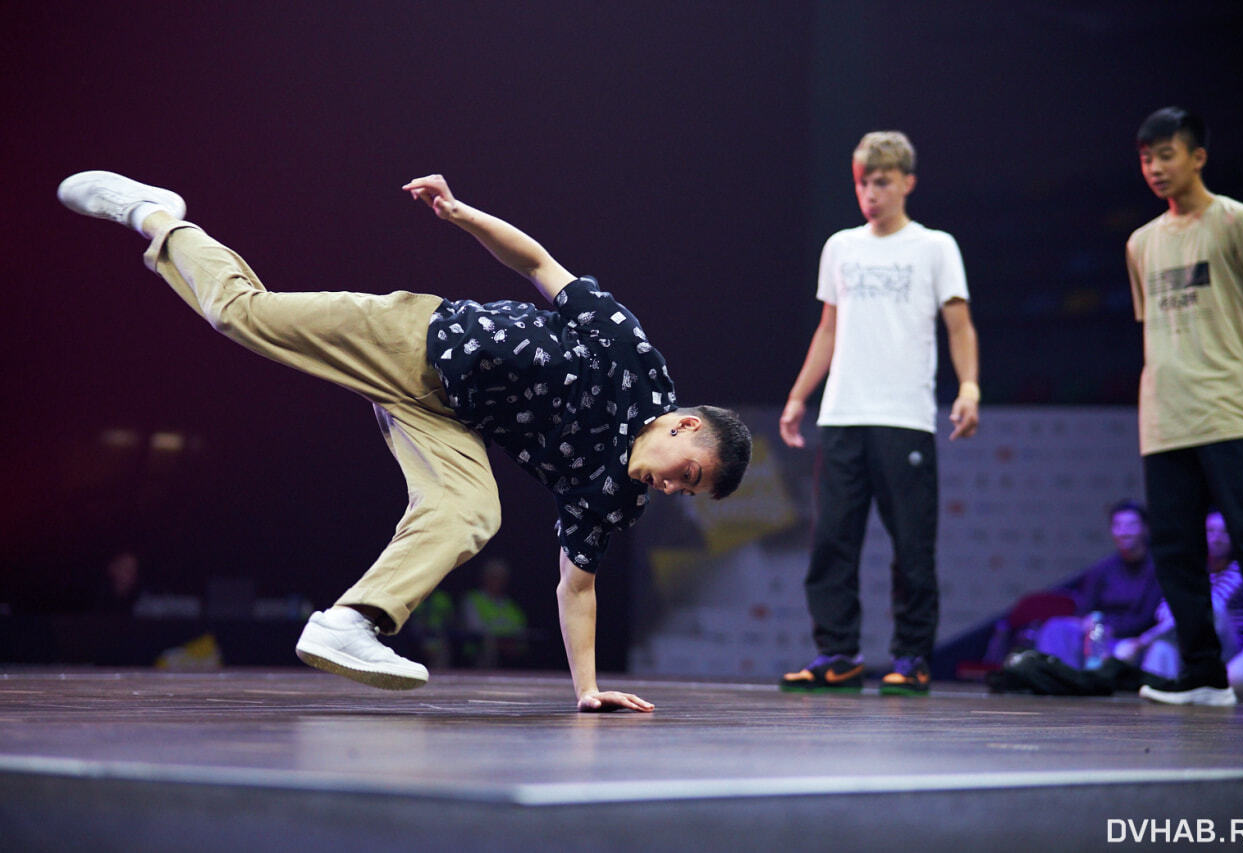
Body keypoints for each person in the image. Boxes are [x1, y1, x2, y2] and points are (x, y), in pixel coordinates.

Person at [58, 169, 752, 713]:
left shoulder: (613, 497)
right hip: (417, 341)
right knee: (241, 315)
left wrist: (587, 689)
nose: (670, 487)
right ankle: (153, 214)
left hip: (446, 420)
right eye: (686, 474)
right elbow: (539, 264)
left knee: (471, 512)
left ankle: (350, 622)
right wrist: (461, 214)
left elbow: (579, 588)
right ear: (685, 426)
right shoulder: (635, 359)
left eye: (684, 491)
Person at [777, 131, 980, 696]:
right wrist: (799, 396)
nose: (871, 192)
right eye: (864, 181)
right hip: (843, 414)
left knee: (912, 545)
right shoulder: (841, 246)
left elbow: (959, 323)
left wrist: (969, 387)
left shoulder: (935, 246)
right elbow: (828, 329)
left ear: (908, 183)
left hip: (905, 417)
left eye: (883, 181)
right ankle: (837, 653)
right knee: (833, 541)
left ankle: (912, 656)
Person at [1123, 107, 1243, 707]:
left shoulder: (1239, 223)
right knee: (1175, 546)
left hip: (1230, 404)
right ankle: (1202, 672)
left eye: (1167, 154)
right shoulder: (1140, 243)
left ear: (1198, 158)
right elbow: (1157, 328)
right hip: (1166, 415)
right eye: (1146, 158)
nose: (1156, 168)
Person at [1116, 511, 1243, 685]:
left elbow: (1207, 609)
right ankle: (1158, 695)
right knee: (1161, 648)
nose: (1217, 538)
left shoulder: (1238, 572)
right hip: (1190, 643)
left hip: (1231, 651)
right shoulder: (1192, 571)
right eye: (1210, 531)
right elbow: (1164, 610)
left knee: (1208, 607)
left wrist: (1141, 642)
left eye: (1224, 532)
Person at [1032, 500, 1162, 668]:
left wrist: (1110, 629)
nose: (1124, 532)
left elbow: (1146, 618)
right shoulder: (1102, 569)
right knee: (1056, 628)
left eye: (1131, 525)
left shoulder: (1157, 570)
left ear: (1145, 528)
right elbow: (1085, 610)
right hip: (1097, 634)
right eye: (1118, 526)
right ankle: (1059, 682)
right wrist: (1090, 625)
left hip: (1135, 640)